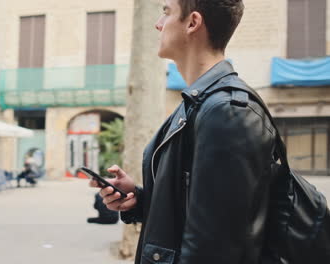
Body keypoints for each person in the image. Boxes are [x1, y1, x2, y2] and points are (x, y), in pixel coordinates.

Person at [91, 1, 279, 263]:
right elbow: (195, 215)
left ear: (192, 23)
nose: (158, 23)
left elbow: (217, 248)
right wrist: (138, 199)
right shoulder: (197, 103)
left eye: (166, 12)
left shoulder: (228, 112)